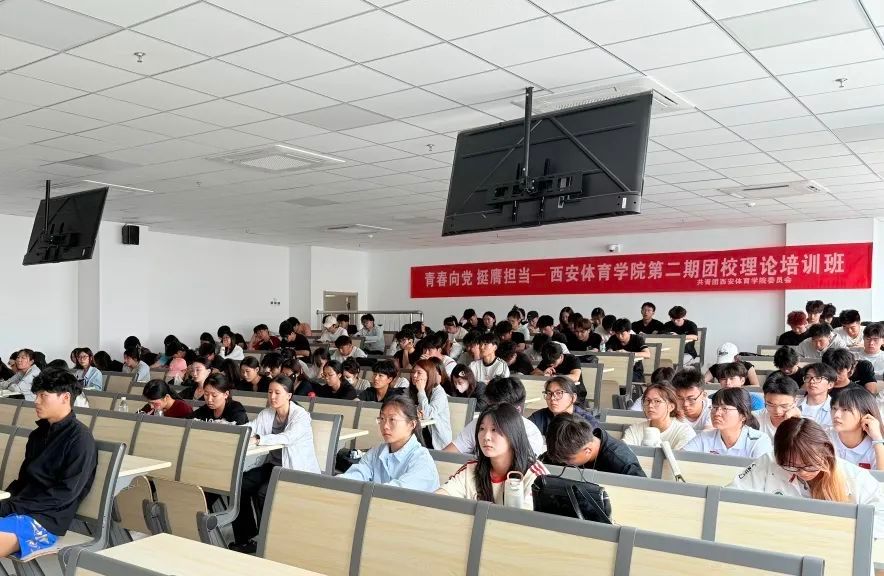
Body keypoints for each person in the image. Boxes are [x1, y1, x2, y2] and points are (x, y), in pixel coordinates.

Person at [0, 368, 96, 560]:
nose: (36, 401)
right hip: (22, 509)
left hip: (46, 519)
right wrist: (6, 500)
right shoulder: (38, 435)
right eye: (36, 395)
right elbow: (23, 481)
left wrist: (11, 507)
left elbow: (64, 495)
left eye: (43, 395)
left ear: (65, 397)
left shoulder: (80, 439)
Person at [729, 417, 882, 536]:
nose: (802, 472)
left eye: (810, 465)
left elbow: (880, 514)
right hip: (779, 537)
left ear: (826, 451)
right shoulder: (769, 462)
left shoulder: (854, 477)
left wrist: (846, 532)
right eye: (791, 466)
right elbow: (732, 497)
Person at [230, 375, 320, 553]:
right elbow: (250, 428)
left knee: (264, 492)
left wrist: (259, 439)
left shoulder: (301, 416)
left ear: (289, 395)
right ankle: (246, 538)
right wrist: (231, 430)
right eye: (270, 392)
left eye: (277, 392)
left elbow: (288, 437)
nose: (272, 396)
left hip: (294, 469)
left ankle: (268, 538)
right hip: (274, 465)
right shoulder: (268, 413)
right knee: (240, 484)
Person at [437, 403, 548, 509]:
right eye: (482, 429)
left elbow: (524, 519)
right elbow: (438, 499)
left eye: (494, 430)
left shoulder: (536, 477)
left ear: (513, 434)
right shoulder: (471, 470)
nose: (486, 437)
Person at [341, 395, 439, 491]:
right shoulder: (376, 452)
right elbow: (357, 474)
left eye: (392, 419)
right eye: (382, 419)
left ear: (411, 424)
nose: (385, 426)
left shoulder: (422, 460)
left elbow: (396, 493)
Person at [444, 376, 545, 456]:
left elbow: (522, 468)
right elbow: (447, 455)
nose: (490, 413)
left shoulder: (531, 435)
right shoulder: (480, 425)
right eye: (489, 407)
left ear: (517, 410)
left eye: (497, 409)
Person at [541, 413, 645, 476]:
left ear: (587, 451)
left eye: (568, 460)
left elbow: (644, 496)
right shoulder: (568, 445)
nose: (563, 463)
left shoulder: (622, 464)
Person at [683, 388, 772, 458]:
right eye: (715, 407)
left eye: (724, 408)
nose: (717, 413)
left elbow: (762, 472)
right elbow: (681, 460)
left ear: (743, 415)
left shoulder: (758, 441)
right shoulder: (704, 438)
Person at [623, 382, 696, 449]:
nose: (650, 405)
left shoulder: (685, 432)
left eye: (657, 401)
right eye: (647, 400)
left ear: (671, 407)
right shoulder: (635, 430)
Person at [828, 387, 884, 470]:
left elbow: (881, 476)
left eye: (845, 410)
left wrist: (877, 439)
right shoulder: (825, 437)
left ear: (865, 414)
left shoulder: (876, 444)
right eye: (834, 408)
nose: (836, 415)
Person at [528, 376, 599, 436]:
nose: (552, 398)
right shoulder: (538, 417)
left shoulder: (588, 422)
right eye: (549, 393)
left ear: (573, 398)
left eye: (559, 393)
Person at [409, 359, 451, 449]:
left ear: (429, 375)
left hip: (436, 441)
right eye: (413, 372)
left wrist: (421, 391)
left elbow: (427, 414)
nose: (414, 375)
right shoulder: (412, 390)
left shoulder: (439, 392)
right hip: (420, 433)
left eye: (419, 373)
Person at [753, 373, 801, 440]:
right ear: (764, 399)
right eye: (771, 405)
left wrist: (797, 422)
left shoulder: (804, 422)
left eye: (784, 406)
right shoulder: (754, 419)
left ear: (795, 402)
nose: (777, 411)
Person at [605, 318, 650, 383]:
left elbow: (647, 354)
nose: (619, 336)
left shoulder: (637, 339)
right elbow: (608, 350)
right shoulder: (613, 338)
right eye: (617, 333)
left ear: (628, 331)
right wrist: (611, 352)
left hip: (635, 371)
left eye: (622, 334)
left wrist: (628, 353)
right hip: (617, 369)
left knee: (624, 377)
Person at [798, 362, 835, 427]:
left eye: (818, 378)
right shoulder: (793, 404)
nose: (811, 381)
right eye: (808, 377)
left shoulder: (836, 409)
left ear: (830, 385)